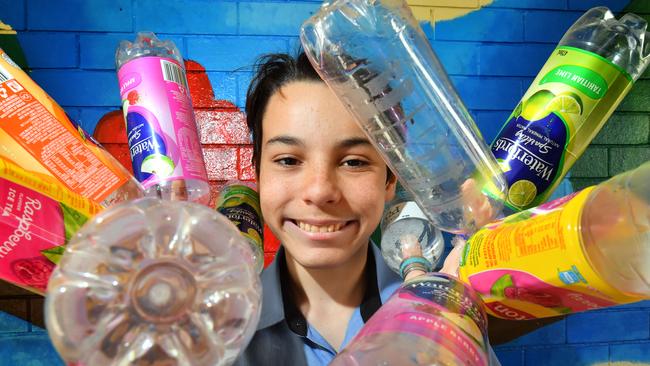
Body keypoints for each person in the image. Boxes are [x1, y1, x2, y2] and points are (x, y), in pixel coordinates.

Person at [233, 51, 500, 365]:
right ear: (258, 174)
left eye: (354, 162)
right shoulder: (214, 329)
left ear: (389, 181)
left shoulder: (444, 317)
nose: (320, 191)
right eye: (288, 160)